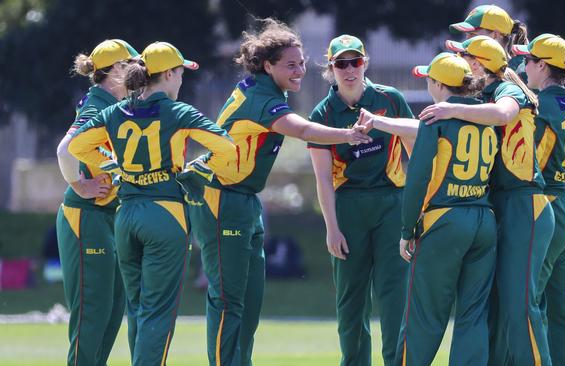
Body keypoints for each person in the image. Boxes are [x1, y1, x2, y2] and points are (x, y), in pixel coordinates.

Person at [178, 19, 371, 366]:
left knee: (249, 304)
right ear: (268, 65)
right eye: (290, 65)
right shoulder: (260, 98)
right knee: (228, 302)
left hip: (245, 200)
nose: (299, 70)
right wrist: (347, 134)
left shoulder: (267, 89)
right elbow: (301, 129)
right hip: (222, 198)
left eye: (301, 63)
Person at [68, 41, 236, 366]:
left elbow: (77, 147)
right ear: (170, 73)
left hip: (126, 216)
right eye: (181, 73)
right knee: (158, 315)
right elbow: (227, 148)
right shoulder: (179, 111)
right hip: (165, 215)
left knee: (139, 311)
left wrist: (117, 166)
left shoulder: (115, 111)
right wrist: (195, 169)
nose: (183, 79)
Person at [420, 36, 555, 365]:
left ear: (478, 64)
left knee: (519, 308)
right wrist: (378, 124)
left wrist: (450, 107)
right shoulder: (478, 98)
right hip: (500, 206)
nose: (460, 57)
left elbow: (504, 114)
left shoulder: (505, 92)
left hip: (524, 204)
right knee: (498, 308)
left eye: (465, 54)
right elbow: (429, 130)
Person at [380, 52, 496, 365]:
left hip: (445, 220)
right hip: (484, 220)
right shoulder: (488, 116)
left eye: (429, 79)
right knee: (473, 314)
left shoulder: (435, 117)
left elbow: (417, 178)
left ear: (436, 83)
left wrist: (407, 230)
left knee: (424, 317)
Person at [308, 34, 413, 366]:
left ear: (365, 63)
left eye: (355, 61)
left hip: (392, 203)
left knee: (394, 295)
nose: (349, 69)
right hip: (348, 206)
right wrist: (331, 229)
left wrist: (417, 211)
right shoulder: (323, 112)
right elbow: (323, 178)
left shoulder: (390, 98)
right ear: (331, 68)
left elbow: (415, 147)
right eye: (341, 63)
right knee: (351, 301)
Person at [513, 33, 565, 365]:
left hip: (548, 207)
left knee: (529, 302)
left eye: (528, 60)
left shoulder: (540, 107)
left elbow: (531, 167)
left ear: (543, 66)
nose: (523, 65)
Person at [55, 39, 138, 366]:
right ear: (116, 70)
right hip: (85, 217)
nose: (139, 74)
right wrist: (79, 184)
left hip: (107, 218)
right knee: (93, 313)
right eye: (132, 66)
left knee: (112, 310)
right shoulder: (98, 105)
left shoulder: (115, 105)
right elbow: (66, 149)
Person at [449, 4, 530, 77]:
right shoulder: (469, 71)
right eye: (466, 35)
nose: (466, 41)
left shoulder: (525, 73)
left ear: (495, 35)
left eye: (473, 35)